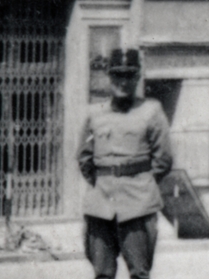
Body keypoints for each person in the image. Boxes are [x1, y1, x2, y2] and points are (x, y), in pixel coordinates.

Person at [78, 48, 174, 279]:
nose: (123, 82)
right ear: (109, 78)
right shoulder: (94, 113)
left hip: (138, 205)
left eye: (129, 76)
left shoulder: (151, 111)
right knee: (102, 273)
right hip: (100, 205)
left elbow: (163, 159)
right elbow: (84, 158)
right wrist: (104, 181)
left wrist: (141, 182)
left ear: (138, 77)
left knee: (139, 273)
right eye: (118, 75)